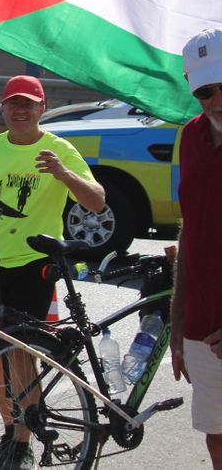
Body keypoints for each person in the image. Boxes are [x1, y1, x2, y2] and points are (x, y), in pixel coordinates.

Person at [0, 75, 104, 469]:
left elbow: (97, 202)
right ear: (2, 107)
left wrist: (64, 174)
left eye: (29, 104)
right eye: (13, 103)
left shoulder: (59, 149)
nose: (20, 110)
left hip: (35, 265)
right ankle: (12, 426)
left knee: (21, 352)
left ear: (41, 108)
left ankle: (22, 437)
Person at [170, 28, 222, 469]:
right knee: (218, 440)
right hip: (202, 325)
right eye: (207, 89)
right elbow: (192, 229)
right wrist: (177, 318)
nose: (218, 98)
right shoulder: (190, 136)